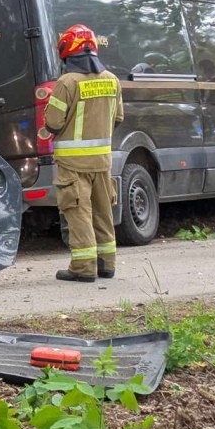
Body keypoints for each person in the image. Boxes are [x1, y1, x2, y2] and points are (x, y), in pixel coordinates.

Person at [41, 24, 124, 282]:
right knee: (103, 213)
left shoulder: (67, 83)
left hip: (73, 164)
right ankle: (106, 264)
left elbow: (52, 123)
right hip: (102, 162)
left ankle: (83, 268)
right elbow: (118, 118)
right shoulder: (112, 80)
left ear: (67, 52)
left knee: (78, 214)